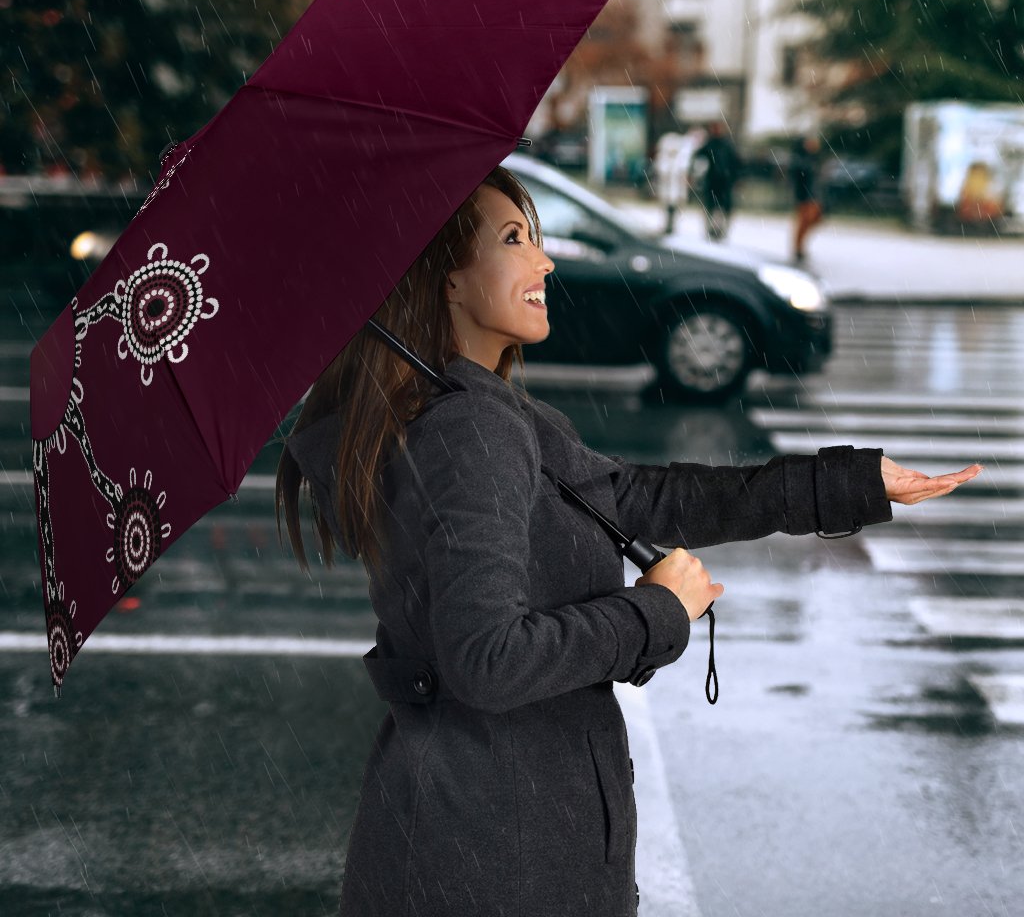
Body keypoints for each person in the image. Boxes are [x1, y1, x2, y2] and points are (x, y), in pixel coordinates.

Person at [276, 165, 981, 917]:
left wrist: (848, 483)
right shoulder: (470, 430)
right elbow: (487, 660)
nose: (544, 261)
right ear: (445, 281)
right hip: (496, 857)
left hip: (482, 837)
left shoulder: (484, 415)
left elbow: (645, 498)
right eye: (515, 239)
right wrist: (654, 612)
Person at [691, 120, 742, 241]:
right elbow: (698, 157)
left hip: (724, 182)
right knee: (712, 206)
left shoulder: (726, 145)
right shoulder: (710, 144)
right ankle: (711, 229)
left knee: (722, 207)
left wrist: (736, 178)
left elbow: (736, 163)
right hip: (713, 181)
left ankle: (720, 230)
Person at [790, 134, 824, 263]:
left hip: (814, 195)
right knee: (804, 222)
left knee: (814, 219)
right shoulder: (800, 159)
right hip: (805, 195)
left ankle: (800, 247)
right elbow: (799, 177)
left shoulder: (814, 159)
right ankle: (798, 248)